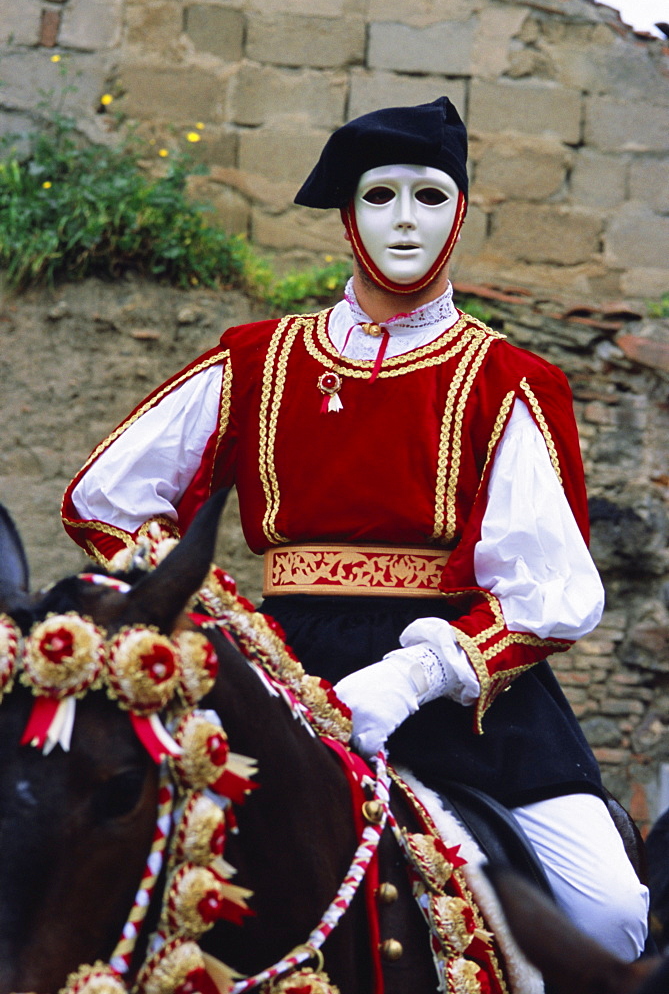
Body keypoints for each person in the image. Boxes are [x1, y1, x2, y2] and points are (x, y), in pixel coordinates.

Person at [62, 98, 648, 959]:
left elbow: (549, 587)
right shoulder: (255, 360)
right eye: (379, 195)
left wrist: (415, 676)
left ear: (460, 215)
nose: (404, 221)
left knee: (606, 917)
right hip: (279, 669)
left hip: (459, 691)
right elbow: (105, 502)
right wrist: (224, 627)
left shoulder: (507, 379)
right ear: (347, 215)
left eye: (429, 196)